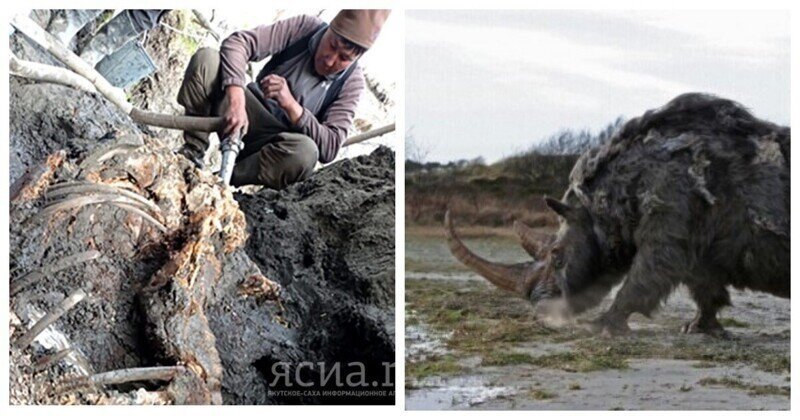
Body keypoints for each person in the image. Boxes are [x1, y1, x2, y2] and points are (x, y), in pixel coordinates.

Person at [176, 9, 390, 189]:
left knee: (305, 153)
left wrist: (292, 106)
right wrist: (237, 98)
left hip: (273, 144)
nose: (330, 60)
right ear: (329, 30)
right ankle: (192, 154)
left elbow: (330, 146)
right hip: (244, 108)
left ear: (357, 58)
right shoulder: (306, 28)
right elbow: (239, 43)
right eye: (332, 46)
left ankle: (216, 184)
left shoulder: (352, 83)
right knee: (207, 61)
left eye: (344, 58)